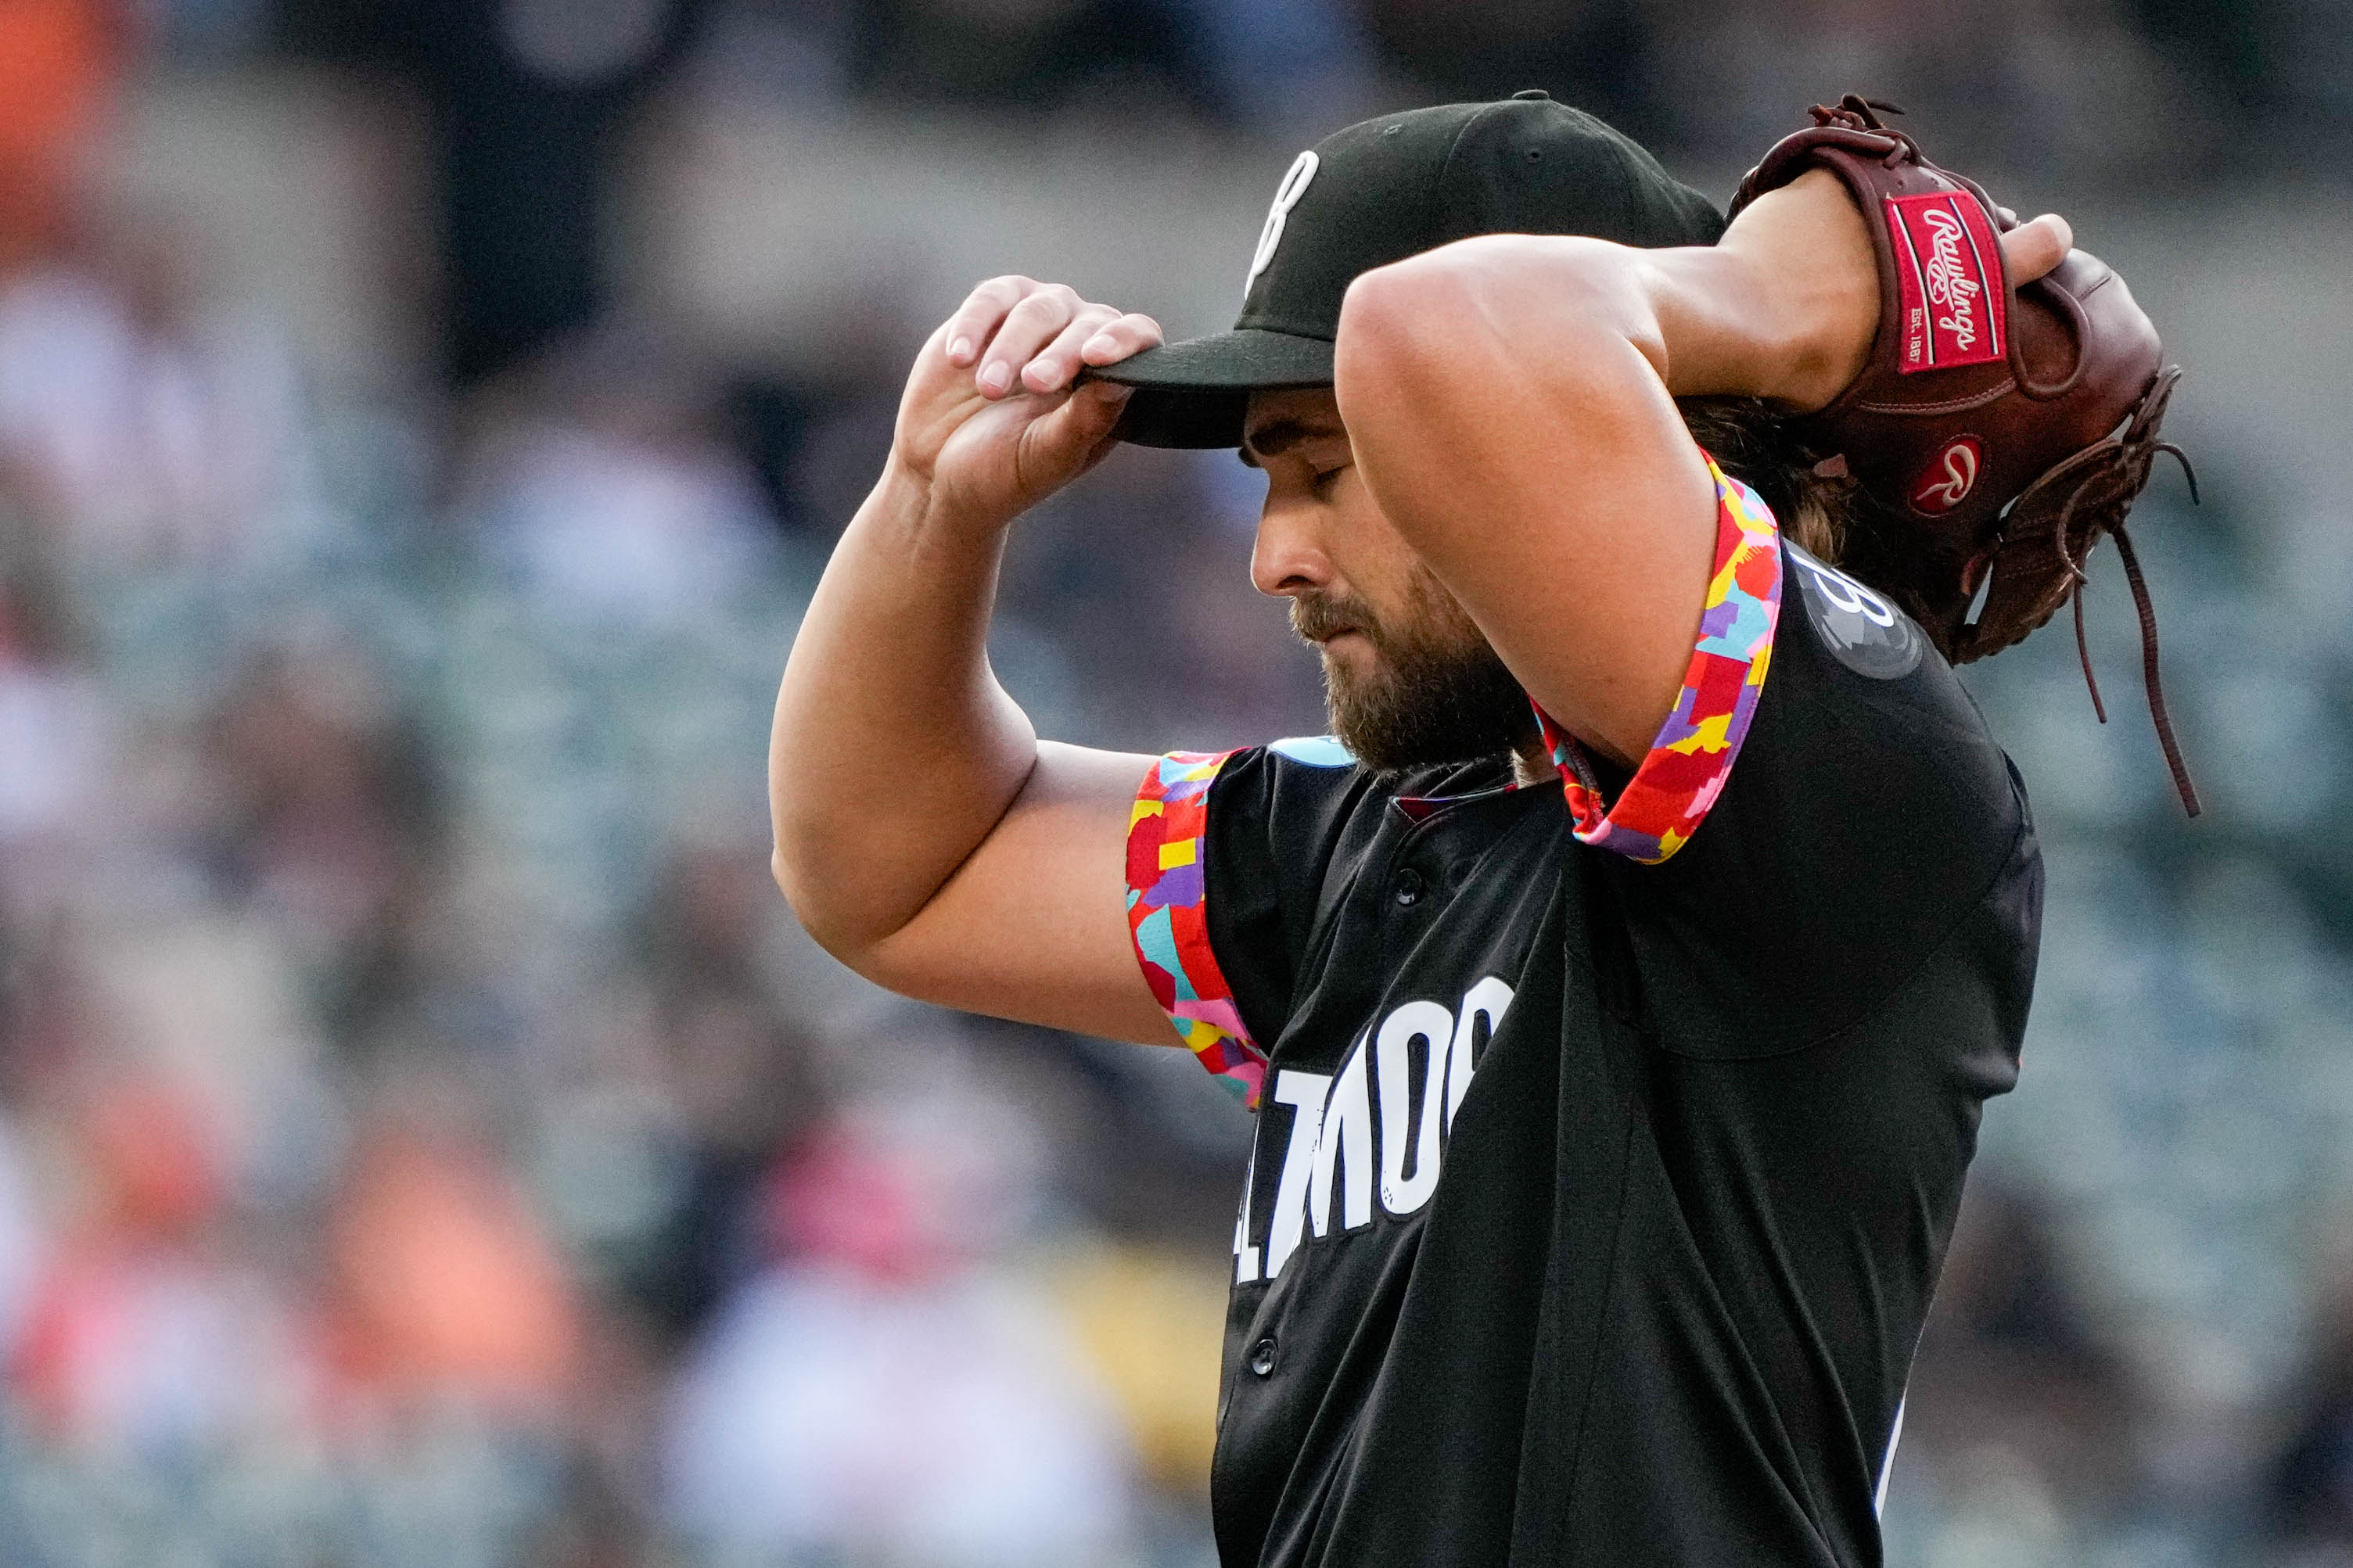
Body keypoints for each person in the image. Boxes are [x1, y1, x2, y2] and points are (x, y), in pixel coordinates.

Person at [769, 93, 2053, 1566]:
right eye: (1263, 476)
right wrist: (935, 511)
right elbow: (893, 870)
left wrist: (1773, 308)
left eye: (1325, 465)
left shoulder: (1841, 769)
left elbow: (1445, 348)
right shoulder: (1368, 837)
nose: (1273, 555)